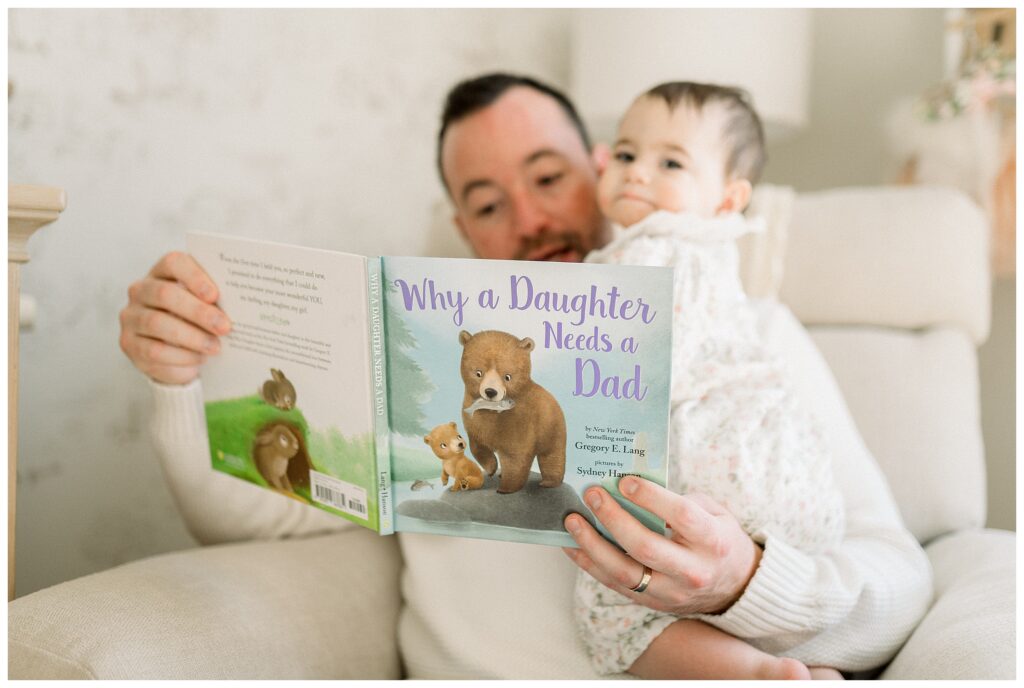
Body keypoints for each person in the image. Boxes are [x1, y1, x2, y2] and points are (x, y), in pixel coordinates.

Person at [119, 72, 932, 679]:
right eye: (488, 202)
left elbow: (896, 581)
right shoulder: (430, 363)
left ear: (605, 167)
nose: (532, 220)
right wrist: (176, 378)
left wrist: (743, 583)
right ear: (461, 227)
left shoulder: (744, 332)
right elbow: (248, 520)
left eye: (548, 179)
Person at [576, 81, 844, 680]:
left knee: (613, 611)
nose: (636, 173)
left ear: (729, 198)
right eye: (624, 154)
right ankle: (787, 664)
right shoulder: (714, 255)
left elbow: (623, 371)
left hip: (705, 453)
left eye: (669, 162)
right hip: (781, 461)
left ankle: (755, 675)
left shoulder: (642, 256)